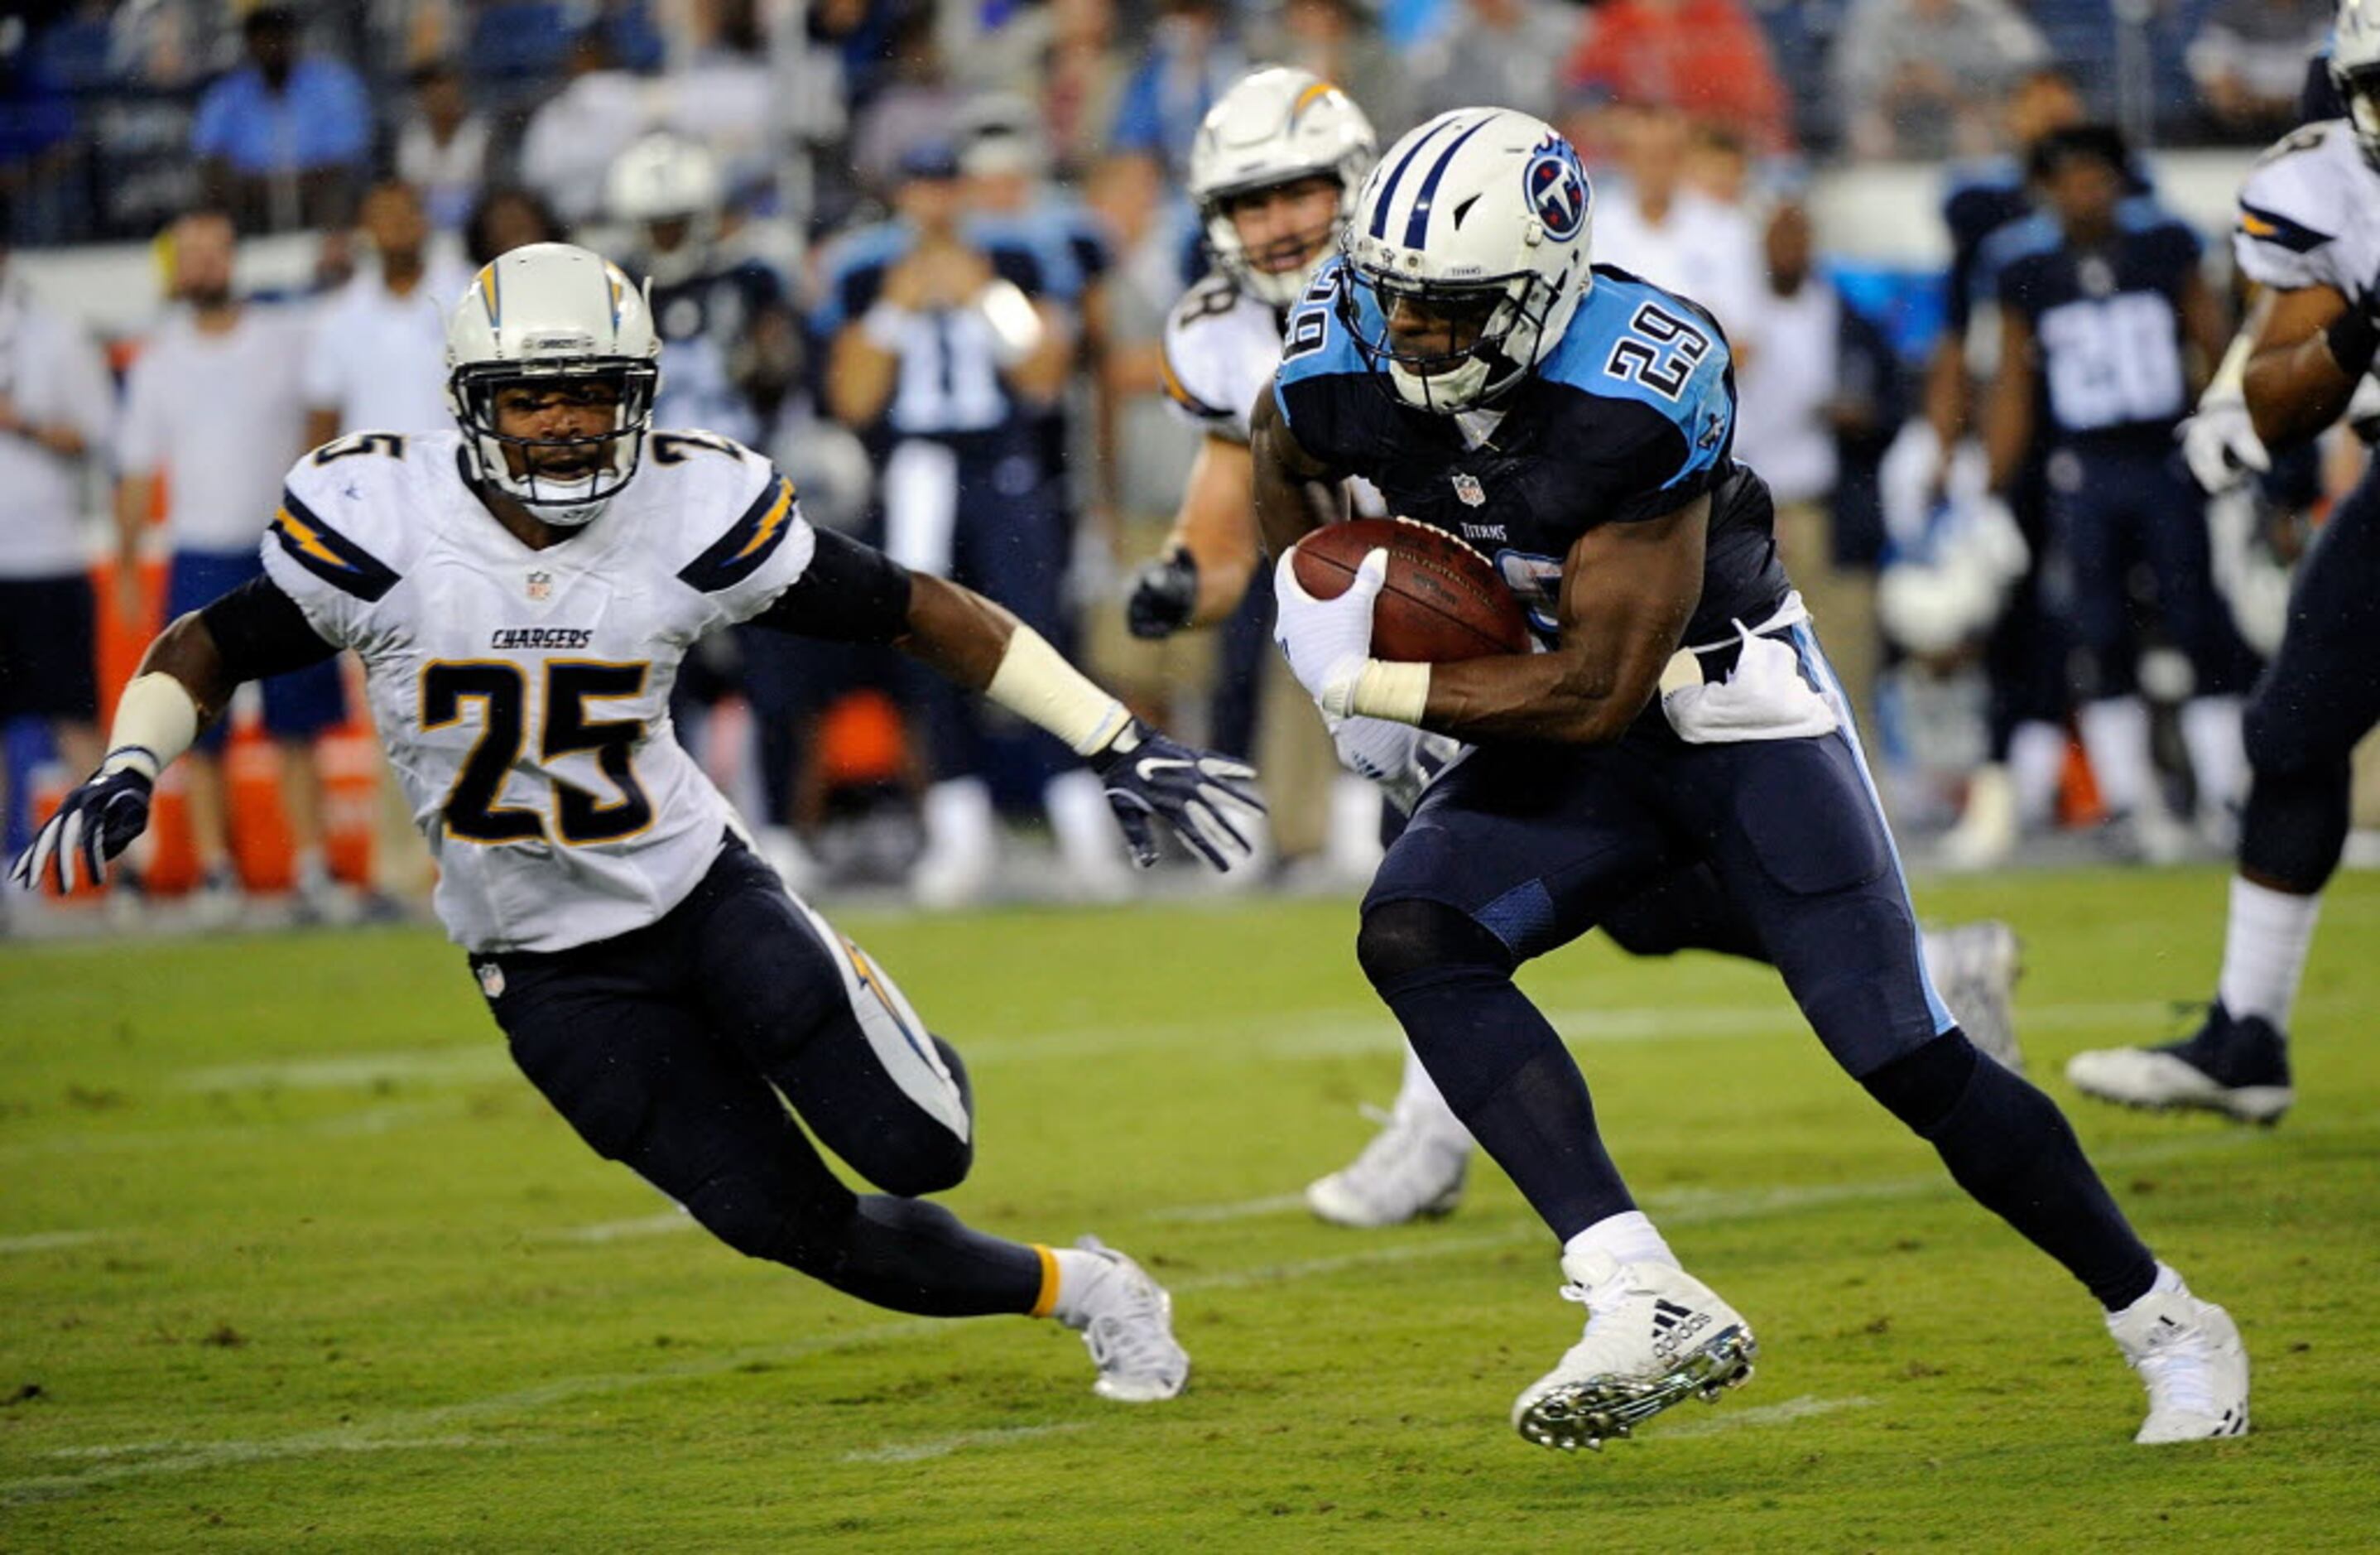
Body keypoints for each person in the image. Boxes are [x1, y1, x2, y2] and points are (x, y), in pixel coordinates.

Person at [12, 241, 1261, 1404]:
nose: (561, 424)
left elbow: (912, 606)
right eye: (531, 397)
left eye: (591, 393)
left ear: (639, 393)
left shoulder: (688, 505)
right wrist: (131, 763)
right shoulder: (377, 517)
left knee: (921, 1150)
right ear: (471, 402)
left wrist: (1112, 734)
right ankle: (1089, 1288)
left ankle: (880, 1034)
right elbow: (209, 644)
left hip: (699, 894)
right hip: (546, 965)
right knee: (788, 1225)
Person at [1253, 107, 2248, 1448]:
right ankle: (1634, 1282)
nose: (1413, 337)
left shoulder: (1638, 381)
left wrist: (1367, 684)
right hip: (1548, 708)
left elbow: (1600, 688)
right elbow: (1283, 446)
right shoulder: (1342, 354)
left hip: (1721, 706)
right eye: (1399, 303)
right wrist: (1313, 598)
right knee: (1418, 929)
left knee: (1902, 1054)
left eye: (1449, 310)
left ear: (1540, 287)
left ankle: (2168, 1318)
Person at [1134, 72, 2026, 1232]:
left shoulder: (1509, 297)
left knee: (1444, 894)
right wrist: (1250, 607)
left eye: (1297, 192)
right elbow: (1243, 507)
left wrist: (1397, 664)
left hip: (1556, 612)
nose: (1275, 226)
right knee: (1624, 909)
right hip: (1405, 612)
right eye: (1247, 205)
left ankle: (1428, 1136)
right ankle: (1929, 961)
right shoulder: (1225, 337)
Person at [2065, 0, 2380, 1125]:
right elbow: (2276, 396)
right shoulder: (2322, 177)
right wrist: (2357, 331)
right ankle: (2244, 1033)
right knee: (2289, 731)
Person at [819, 142, 1132, 906]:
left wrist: (984, 297)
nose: (933, 203)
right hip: (918, 473)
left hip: (1003, 468)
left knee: (1037, 637)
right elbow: (852, 399)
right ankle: (959, 830)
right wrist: (895, 307)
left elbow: (1042, 375)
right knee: (925, 645)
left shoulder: (1014, 257)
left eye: (942, 185)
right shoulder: (865, 271)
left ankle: (1081, 823)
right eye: (919, 186)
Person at [1981, 125, 2255, 859]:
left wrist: (2232, 433)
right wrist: (1990, 486)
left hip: (2164, 458)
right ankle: (2131, 802)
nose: (2084, 192)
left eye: (2096, 177)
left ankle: (2225, 793)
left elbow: (2214, 342)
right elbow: (2013, 379)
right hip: (2083, 468)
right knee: (2097, 631)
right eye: (2069, 179)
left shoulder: (2164, 246)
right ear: (2046, 188)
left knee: (2197, 619)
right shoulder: (2025, 267)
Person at [114, 209, 344, 925]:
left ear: (234, 259)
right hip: (199, 551)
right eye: (192, 254)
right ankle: (217, 872)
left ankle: (311, 865)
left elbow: (326, 411)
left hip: (282, 553)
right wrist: (126, 563)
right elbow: (133, 470)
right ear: (175, 268)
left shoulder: (285, 339)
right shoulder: (157, 359)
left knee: (297, 722)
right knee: (196, 722)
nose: (206, 265)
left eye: (216, 250)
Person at [0, 244, 114, 888]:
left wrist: (22, 424)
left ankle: (112, 869)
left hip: (46, 555)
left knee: (75, 721)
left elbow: (97, 429)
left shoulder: (54, 333)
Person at [190, 5, 371, 233]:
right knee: (212, 192)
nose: (270, 46)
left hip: (318, 191)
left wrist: (288, 187)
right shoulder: (227, 93)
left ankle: (332, 257)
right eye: (261, 38)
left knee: (340, 190)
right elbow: (209, 156)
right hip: (250, 196)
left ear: (292, 39)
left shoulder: (333, 83)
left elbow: (347, 157)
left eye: (278, 36)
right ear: (249, 44)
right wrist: (266, 188)